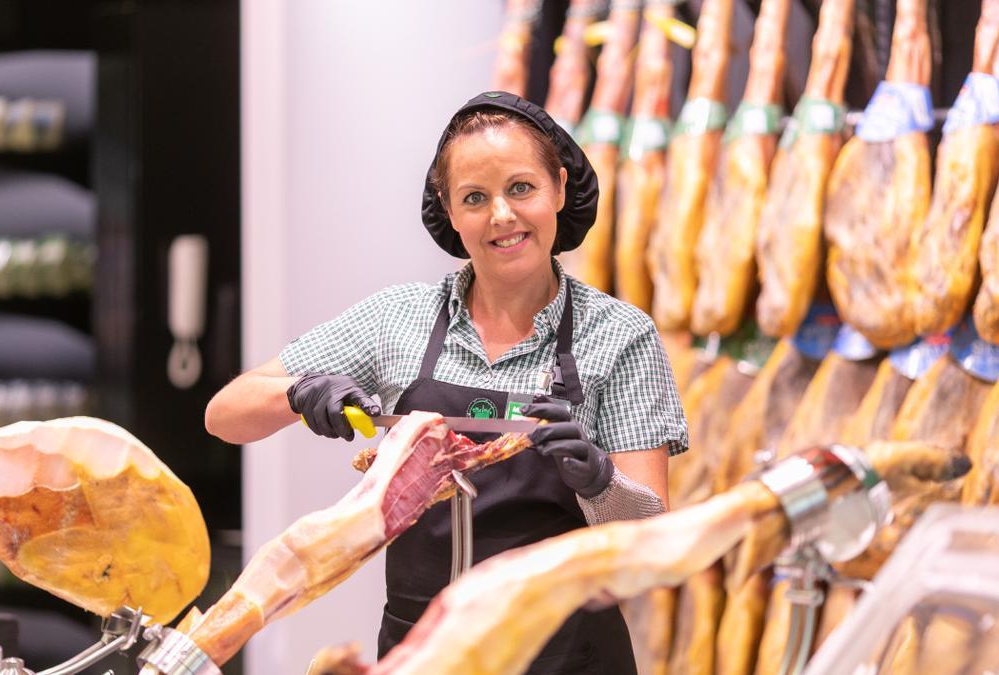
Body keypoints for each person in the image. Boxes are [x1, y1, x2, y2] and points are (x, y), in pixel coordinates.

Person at [205, 91, 688, 674]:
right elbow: (224, 415)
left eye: (521, 188)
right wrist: (301, 392)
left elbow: (654, 545)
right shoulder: (396, 320)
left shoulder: (619, 334)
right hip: (422, 654)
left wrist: (598, 479)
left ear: (558, 189)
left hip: (568, 655)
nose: (502, 216)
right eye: (475, 198)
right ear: (450, 211)